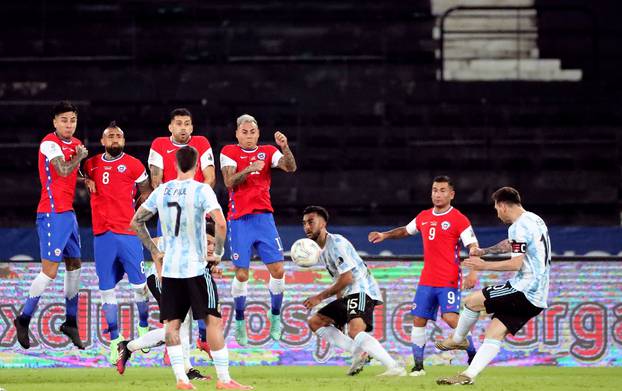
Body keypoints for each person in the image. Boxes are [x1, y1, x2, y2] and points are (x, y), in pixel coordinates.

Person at [131, 146, 252, 390]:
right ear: (197, 166)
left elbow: (136, 221)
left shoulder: (163, 190)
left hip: (171, 271)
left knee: (172, 325)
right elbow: (220, 222)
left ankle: (181, 380)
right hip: (196, 268)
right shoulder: (201, 189)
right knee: (212, 322)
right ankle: (224, 380)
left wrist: (154, 251)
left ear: (174, 165)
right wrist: (217, 253)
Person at [436, 187, 550, 385]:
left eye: (496, 208)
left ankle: (458, 338)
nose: (497, 213)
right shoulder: (534, 219)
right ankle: (468, 376)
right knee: (494, 333)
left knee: (471, 301)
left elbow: (516, 264)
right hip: (538, 296)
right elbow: (511, 243)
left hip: (524, 289)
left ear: (503, 206)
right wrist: (485, 251)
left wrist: (483, 265)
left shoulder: (518, 226)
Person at [368, 176, 478, 376]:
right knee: (418, 320)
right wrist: (385, 235)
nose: (438, 194)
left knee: (451, 317)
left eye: (443, 190)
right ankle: (418, 366)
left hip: (449, 278)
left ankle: (473, 355)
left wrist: (474, 271)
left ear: (452, 194)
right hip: (427, 278)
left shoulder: (459, 219)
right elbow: (405, 231)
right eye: (435, 190)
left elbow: (473, 246)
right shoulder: (424, 216)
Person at [14, 101, 88, 350]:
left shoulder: (75, 143)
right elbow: (65, 170)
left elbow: (78, 174)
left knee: (75, 265)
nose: (69, 124)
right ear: (55, 122)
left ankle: (70, 322)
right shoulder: (49, 143)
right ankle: (23, 319)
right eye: (64, 120)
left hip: (68, 213)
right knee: (50, 271)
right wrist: (78, 156)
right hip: (51, 213)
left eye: (73, 120)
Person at [219, 114, 296, 345]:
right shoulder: (229, 152)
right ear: (237, 134)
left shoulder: (269, 151)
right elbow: (229, 182)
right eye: (244, 132)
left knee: (279, 270)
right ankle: (240, 322)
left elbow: (290, 167)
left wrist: (285, 147)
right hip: (239, 219)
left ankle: (275, 317)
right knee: (242, 274)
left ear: (258, 133)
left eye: (252, 132)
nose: (249, 136)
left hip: (264, 218)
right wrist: (250, 168)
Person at [303, 206, 406, 377]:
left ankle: (394, 367)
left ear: (323, 223)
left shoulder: (336, 243)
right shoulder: (322, 252)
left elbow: (347, 278)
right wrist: (339, 311)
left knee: (356, 331)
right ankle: (358, 352)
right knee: (315, 322)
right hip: (349, 293)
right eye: (304, 223)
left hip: (361, 290)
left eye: (311, 222)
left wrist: (319, 297)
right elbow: (339, 280)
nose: (307, 226)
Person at [83, 122, 153, 364]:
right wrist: (85, 180)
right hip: (102, 235)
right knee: (106, 290)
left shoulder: (134, 164)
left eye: (118, 136)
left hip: (128, 233)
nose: (114, 139)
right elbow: (82, 175)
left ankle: (143, 326)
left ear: (124, 141)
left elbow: (146, 189)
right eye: (110, 136)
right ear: (103, 141)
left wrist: (138, 210)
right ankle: (115, 340)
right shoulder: (90, 164)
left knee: (139, 287)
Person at [148, 107, 215, 353]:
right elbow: (156, 181)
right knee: (170, 278)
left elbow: (210, 177)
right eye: (179, 123)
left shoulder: (201, 142)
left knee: (200, 274)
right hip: (169, 220)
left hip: (196, 218)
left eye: (187, 123)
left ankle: (197, 341)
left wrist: (191, 199)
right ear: (170, 127)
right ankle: (176, 348)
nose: (184, 128)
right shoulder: (158, 144)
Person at [115, 223, 218, 382]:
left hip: (180, 284)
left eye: (214, 244)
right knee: (177, 325)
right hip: (159, 280)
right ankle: (186, 369)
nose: (211, 247)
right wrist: (159, 268)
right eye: (208, 242)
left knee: (180, 326)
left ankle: (128, 347)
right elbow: (155, 243)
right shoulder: (182, 242)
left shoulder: (205, 253)